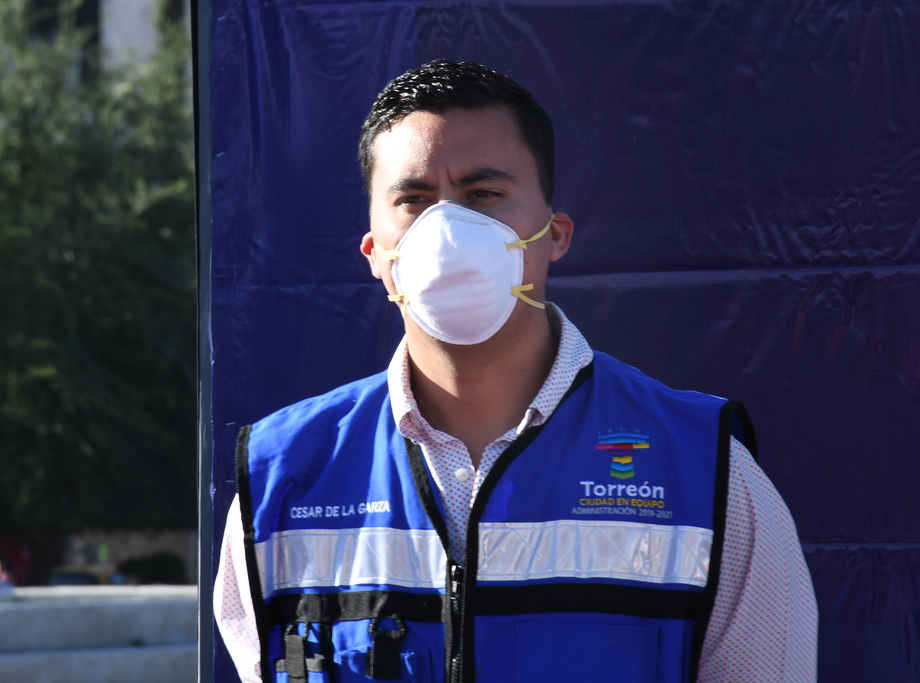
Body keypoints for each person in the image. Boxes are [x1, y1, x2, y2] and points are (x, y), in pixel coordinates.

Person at [214, 60, 817, 683]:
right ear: (375, 252)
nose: (447, 232)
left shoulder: (706, 471)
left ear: (554, 235)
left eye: (483, 195)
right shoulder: (282, 480)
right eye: (414, 200)